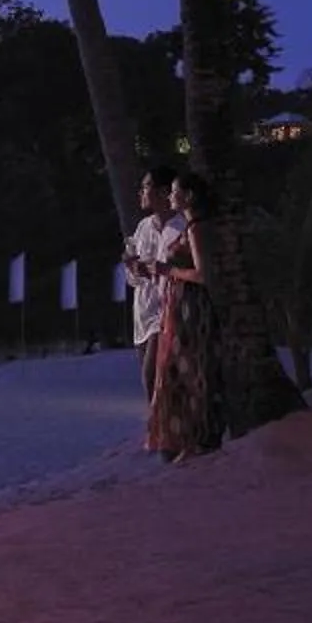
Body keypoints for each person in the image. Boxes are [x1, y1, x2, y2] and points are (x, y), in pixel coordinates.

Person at [149, 170, 219, 462]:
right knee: (176, 370)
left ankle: (196, 439)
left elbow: (204, 274)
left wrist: (168, 271)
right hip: (179, 305)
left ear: (188, 196)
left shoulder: (196, 228)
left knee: (189, 371)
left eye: (175, 191)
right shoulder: (191, 226)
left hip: (191, 307)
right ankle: (182, 440)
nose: (170, 196)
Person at [122, 169, 174, 449]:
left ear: (165, 192)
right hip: (142, 312)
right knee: (150, 378)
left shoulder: (179, 226)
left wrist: (158, 270)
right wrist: (133, 266)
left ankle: (163, 431)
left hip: (166, 310)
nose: (142, 193)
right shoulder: (143, 228)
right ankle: (163, 429)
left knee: (152, 374)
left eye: (147, 187)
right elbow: (135, 279)